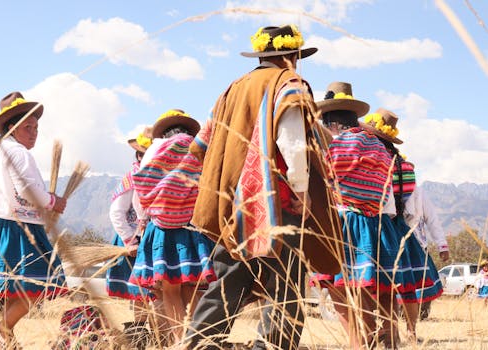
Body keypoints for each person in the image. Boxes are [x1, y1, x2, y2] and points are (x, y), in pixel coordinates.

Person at [185, 25, 343, 350]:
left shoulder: (233, 88)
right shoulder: (289, 83)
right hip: (278, 205)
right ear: (292, 55)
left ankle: (197, 343)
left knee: (227, 282)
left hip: (235, 206)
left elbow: (202, 145)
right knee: (286, 289)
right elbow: (293, 143)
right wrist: (300, 191)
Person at [313, 84, 440, 349]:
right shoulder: (379, 148)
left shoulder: (338, 145)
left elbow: (326, 180)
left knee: (345, 292)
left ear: (331, 123)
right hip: (379, 226)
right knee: (379, 291)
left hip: (348, 223)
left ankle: (358, 344)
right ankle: (382, 340)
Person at [0, 92, 68, 348]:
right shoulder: (19, 153)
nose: (34, 133)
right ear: (12, 128)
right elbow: (27, 189)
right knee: (41, 283)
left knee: (13, 287)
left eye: (36, 128)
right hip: (16, 227)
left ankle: (5, 338)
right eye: (27, 127)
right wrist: (53, 201)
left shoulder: (2, 151)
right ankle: (3, 328)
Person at [129, 109, 217, 345]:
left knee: (170, 291)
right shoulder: (199, 150)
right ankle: (200, 339)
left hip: (161, 229)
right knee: (193, 287)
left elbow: (141, 192)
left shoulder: (154, 151)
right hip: (192, 228)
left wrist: (148, 217)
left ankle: (180, 342)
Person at [360, 108, 443, 347]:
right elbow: (407, 203)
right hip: (399, 227)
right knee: (404, 285)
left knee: (369, 282)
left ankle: (375, 331)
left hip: (372, 223)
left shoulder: (368, 159)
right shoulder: (404, 166)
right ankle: (406, 332)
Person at [106, 127, 156, 349]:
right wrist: (129, 240)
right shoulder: (131, 179)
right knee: (141, 293)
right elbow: (116, 212)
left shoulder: (153, 178)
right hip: (133, 244)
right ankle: (138, 337)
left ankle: (148, 336)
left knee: (152, 293)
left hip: (148, 241)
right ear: (139, 156)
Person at [390, 159, 449, 341]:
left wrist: (442, 244)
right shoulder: (385, 190)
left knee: (411, 292)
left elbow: (432, 219)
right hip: (390, 244)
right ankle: (391, 332)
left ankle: (411, 331)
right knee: (389, 290)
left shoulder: (418, 193)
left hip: (414, 246)